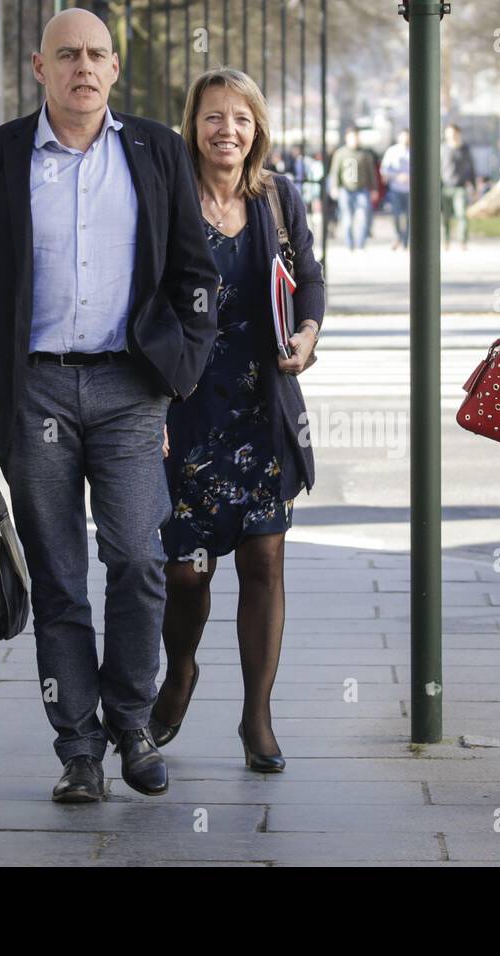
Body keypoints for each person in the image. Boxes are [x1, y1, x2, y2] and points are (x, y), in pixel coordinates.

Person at [0, 8, 218, 803]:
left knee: (138, 558)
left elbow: (194, 276)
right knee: (62, 578)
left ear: (114, 68)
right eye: (68, 55)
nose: (84, 68)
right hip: (31, 389)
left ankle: (132, 721)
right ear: (40, 68)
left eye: (98, 55)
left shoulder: (157, 152)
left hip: (130, 387)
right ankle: (79, 750)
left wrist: (181, 372)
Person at [152, 68, 324, 773]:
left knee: (264, 557)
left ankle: (257, 715)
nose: (228, 130)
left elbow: (308, 274)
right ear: (193, 125)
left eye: (242, 119)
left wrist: (309, 332)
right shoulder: (164, 200)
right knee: (188, 571)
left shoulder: (279, 197)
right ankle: (181, 671)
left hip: (261, 407)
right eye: (214, 117)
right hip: (184, 407)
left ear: (258, 129)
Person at [328, 127, 376, 251]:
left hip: (362, 190)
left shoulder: (365, 154)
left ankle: (360, 244)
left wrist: (374, 188)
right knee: (347, 218)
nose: (354, 140)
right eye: (351, 138)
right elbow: (335, 172)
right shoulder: (340, 153)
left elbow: (371, 172)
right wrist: (334, 187)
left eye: (356, 137)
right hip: (345, 190)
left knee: (362, 217)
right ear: (347, 138)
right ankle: (350, 244)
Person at [441, 123, 475, 251]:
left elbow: (471, 167)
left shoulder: (465, 149)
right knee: (445, 217)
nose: (451, 135)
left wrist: (473, 185)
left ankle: (462, 241)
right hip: (445, 187)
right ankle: (446, 241)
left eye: (454, 133)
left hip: (460, 187)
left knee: (461, 215)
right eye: (449, 133)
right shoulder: (443, 148)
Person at [380, 129, 411, 250]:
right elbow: (384, 169)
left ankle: (406, 240)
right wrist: (396, 176)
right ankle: (398, 236)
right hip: (396, 188)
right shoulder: (392, 151)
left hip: (410, 189)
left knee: (409, 216)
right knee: (396, 215)